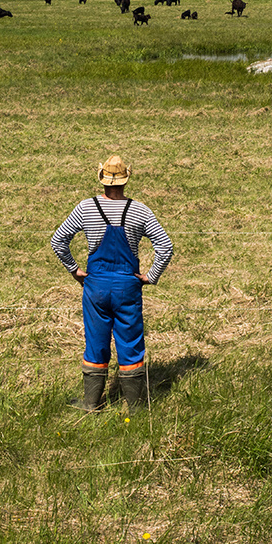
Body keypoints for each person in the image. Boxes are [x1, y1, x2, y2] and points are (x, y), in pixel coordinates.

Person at [51, 155, 173, 413]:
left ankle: (91, 403)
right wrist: (151, 276)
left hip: (95, 286)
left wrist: (75, 271)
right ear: (126, 180)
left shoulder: (85, 207)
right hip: (128, 287)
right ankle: (136, 408)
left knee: (96, 342)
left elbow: (58, 240)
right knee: (131, 343)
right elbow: (165, 246)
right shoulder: (140, 210)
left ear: (102, 180)